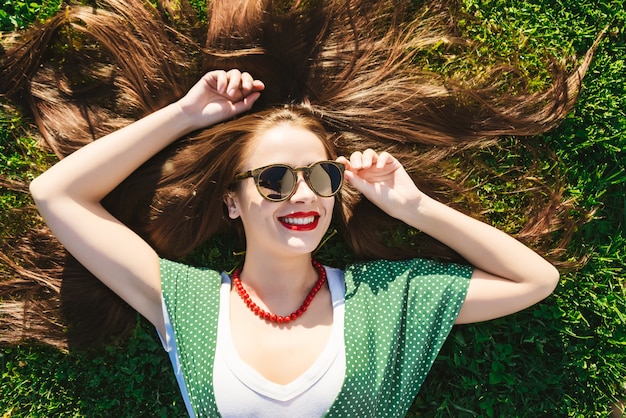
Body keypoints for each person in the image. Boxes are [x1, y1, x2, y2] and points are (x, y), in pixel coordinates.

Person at [0, 0, 599, 415]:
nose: (304, 192)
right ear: (232, 202)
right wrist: (185, 114)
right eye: (275, 179)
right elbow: (57, 192)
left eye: (320, 176)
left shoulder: (390, 301)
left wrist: (415, 207)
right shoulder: (181, 303)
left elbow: (535, 279)